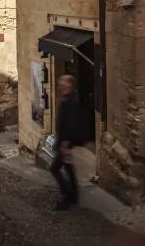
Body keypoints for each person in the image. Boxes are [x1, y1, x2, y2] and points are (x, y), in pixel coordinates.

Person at [50, 74, 79, 210]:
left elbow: (71, 123)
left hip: (65, 142)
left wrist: (65, 142)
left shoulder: (71, 101)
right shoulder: (67, 98)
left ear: (69, 85)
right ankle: (73, 196)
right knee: (68, 168)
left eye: (63, 82)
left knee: (54, 168)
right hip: (64, 141)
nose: (60, 84)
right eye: (60, 82)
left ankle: (67, 196)